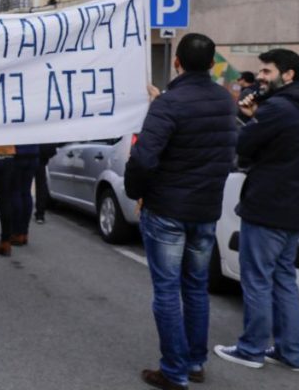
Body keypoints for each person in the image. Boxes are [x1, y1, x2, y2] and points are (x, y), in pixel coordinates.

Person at [124, 33, 237, 390]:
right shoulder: (225, 100)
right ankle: (195, 362)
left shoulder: (170, 104)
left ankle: (173, 371)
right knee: (196, 288)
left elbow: (143, 157)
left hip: (167, 209)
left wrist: (136, 192)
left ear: (177, 63)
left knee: (168, 291)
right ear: (212, 62)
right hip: (205, 210)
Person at [214, 49, 299, 373]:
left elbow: (244, 145)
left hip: (267, 206)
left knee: (257, 281)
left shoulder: (278, 108)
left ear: (289, 74)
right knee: (284, 281)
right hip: (295, 208)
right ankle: (290, 352)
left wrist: (251, 118)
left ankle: (251, 349)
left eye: (266, 71)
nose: (261, 77)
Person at [10, 144, 39, 246]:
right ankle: (24, 232)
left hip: (17, 153)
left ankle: (16, 233)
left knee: (15, 192)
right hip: (34, 153)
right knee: (26, 192)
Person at [33, 143, 57, 225]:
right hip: (41, 156)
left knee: (21, 186)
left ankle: (15, 212)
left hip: (27, 154)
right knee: (41, 185)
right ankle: (40, 214)